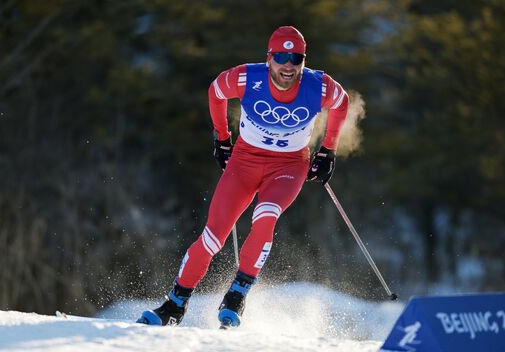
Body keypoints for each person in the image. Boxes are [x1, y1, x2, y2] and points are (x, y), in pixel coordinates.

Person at [137, 26, 349, 328]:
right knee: (212, 237)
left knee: (266, 215)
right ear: (269, 58)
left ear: (304, 60)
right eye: (281, 57)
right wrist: (221, 138)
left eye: (296, 58)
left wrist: (328, 149)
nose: (288, 65)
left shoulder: (320, 86)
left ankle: (237, 294)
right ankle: (175, 304)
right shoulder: (246, 78)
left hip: (288, 167)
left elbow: (342, 104)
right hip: (244, 161)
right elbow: (215, 92)